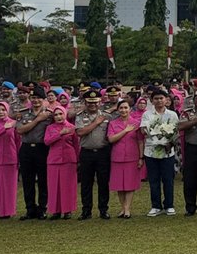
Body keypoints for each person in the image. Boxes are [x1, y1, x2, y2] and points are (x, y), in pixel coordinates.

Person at [72, 90, 113, 220]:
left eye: (95, 102)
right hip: (87, 152)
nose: (93, 105)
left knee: (103, 183)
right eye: (90, 102)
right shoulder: (80, 116)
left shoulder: (107, 116)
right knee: (86, 183)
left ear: (100, 102)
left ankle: (103, 210)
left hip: (103, 152)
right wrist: (96, 122)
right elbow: (80, 132)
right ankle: (86, 210)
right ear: (85, 103)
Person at [140, 90, 180, 216]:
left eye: (161, 98)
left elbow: (176, 132)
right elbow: (143, 130)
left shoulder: (172, 114)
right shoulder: (147, 114)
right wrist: (156, 135)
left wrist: (170, 143)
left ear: (166, 99)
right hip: (151, 151)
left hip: (167, 152)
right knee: (154, 180)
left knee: (168, 180)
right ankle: (156, 206)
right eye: (156, 98)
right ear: (152, 101)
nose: (159, 101)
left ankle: (169, 205)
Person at [15, 93, 53, 220]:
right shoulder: (23, 113)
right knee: (28, 181)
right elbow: (20, 130)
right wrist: (37, 119)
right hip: (26, 148)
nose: (36, 100)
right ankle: (30, 209)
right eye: (33, 98)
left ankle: (42, 209)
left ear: (44, 99)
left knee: (43, 180)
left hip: (42, 148)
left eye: (39, 98)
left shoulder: (50, 114)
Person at [106, 97, 143, 218]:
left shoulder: (136, 123)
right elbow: (111, 139)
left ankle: (127, 209)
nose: (123, 110)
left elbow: (140, 141)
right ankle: (123, 208)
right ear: (117, 110)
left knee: (130, 184)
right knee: (119, 185)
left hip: (132, 156)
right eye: (121, 108)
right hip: (117, 157)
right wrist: (125, 131)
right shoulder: (113, 123)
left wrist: (141, 157)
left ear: (130, 109)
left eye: (125, 108)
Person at [42, 106, 80, 219]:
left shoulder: (72, 128)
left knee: (68, 186)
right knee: (54, 186)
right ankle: (56, 210)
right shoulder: (50, 128)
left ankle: (67, 210)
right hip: (54, 160)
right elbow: (47, 141)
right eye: (56, 115)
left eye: (60, 114)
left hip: (69, 160)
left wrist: (78, 160)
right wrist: (60, 134)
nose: (58, 116)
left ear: (65, 114)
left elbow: (76, 145)